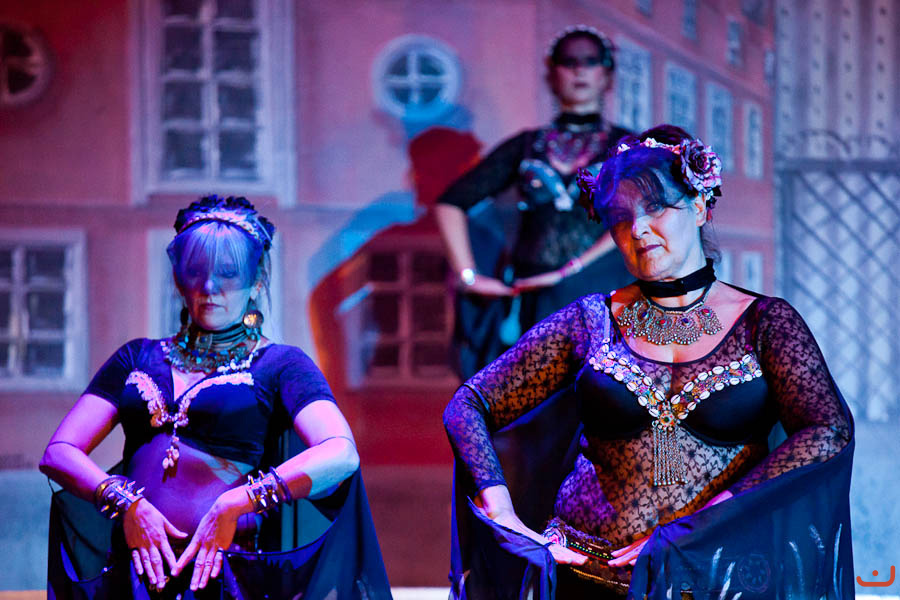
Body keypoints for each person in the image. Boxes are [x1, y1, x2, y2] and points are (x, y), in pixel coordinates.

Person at [443, 126, 854, 599]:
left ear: (699, 207)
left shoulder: (765, 323)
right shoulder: (591, 320)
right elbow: (468, 405)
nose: (637, 229)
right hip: (587, 578)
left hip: (720, 579)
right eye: (620, 217)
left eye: (656, 207)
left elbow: (828, 430)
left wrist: (706, 520)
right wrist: (502, 513)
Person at [40, 196, 391, 599]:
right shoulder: (136, 357)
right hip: (133, 573)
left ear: (256, 282)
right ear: (179, 279)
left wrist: (238, 502)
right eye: (196, 271)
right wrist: (126, 503)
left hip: (229, 578)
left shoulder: (280, 365)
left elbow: (340, 453)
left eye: (227, 273)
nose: (209, 287)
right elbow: (58, 453)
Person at [435, 25, 633, 378]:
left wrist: (571, 270)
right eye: (569, 61)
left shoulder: (629, 147)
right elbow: (451, 202)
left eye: (590, 61)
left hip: (607, 296)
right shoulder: (526, 146)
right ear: (552, 74)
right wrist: (468, 277)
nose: (579, 70)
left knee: (604, 397)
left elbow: (643, 214)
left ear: (606, 75)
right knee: (541, 402)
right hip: (538, 303)